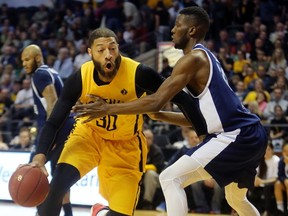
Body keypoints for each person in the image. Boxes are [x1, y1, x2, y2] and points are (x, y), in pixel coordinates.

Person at [73, 7, 268, 216]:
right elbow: (198, 119)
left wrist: (107, 109)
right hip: (251, 133)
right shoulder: (206, 57)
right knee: (235, 198)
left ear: (191, 30)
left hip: (234, 134)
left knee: (170, 177)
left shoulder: (192, 59)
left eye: (178, 25)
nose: (173, 30)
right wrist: (159, 116)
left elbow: (156, 100)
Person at [27, 28, 192, 216]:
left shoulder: (139, 73)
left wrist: (201, 122)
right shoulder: (81, 77)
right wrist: (39, 157)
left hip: (125, 146)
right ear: (90, 53)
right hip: (89, 136)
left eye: (112, 48)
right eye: (101, 50)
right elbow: (54, 121)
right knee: (56, 188)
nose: (108, 55)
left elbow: (179, 96)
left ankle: (101, 213)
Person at [21, 44, 74, 216]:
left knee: (33, 173)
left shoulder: (40, 75)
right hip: (66, 128)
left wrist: (51, 137)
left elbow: (53, 105)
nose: (24, 64)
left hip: (55, 129)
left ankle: (41, 213)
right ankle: (68, 214)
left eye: (27, 59)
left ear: (37, 58)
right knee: (58, 178)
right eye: (22, 61)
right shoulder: (52, 72)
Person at [139, 128, 165, 210]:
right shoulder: (137, 149)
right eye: (147, 137)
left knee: (150, 173)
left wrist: (140, 168)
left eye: (150, 138)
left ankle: (147, 202)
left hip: (156, 178)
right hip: (140, 175)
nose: (148, 140)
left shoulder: (156, 151)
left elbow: (155, 167)